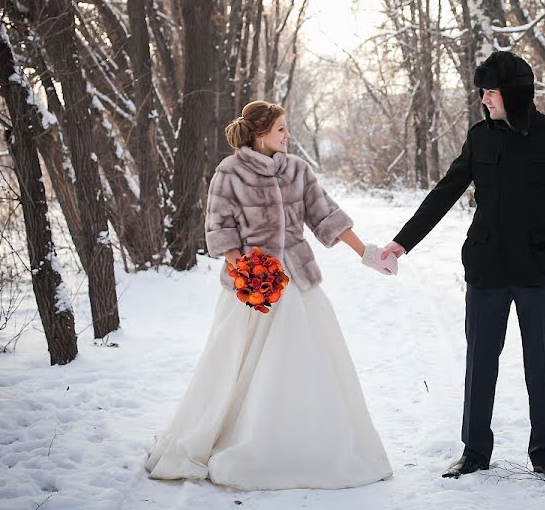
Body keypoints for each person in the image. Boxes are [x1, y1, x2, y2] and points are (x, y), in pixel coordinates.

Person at [146, 100, 397, 490]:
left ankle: (305, 445)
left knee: (306, 364)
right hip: (251, 287)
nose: (287, 135)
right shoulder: (229, 172)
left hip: (297, 279)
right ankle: (235, 438)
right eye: (281, 129)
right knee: (233, 365)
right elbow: (220, 227)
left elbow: (326, 216)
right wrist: (242, 269)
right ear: (260, 133)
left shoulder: (297, 170)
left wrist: (366, 253)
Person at [382, 51, 545, 482]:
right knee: (480, 363)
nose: (484, 100)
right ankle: (474, 451)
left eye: (490, 92)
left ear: (513, 94)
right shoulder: (480, 138)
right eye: (482, 92)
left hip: (539, 270)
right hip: (487, 268)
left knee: (540, 365)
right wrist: (403, 242)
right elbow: (445, 192)